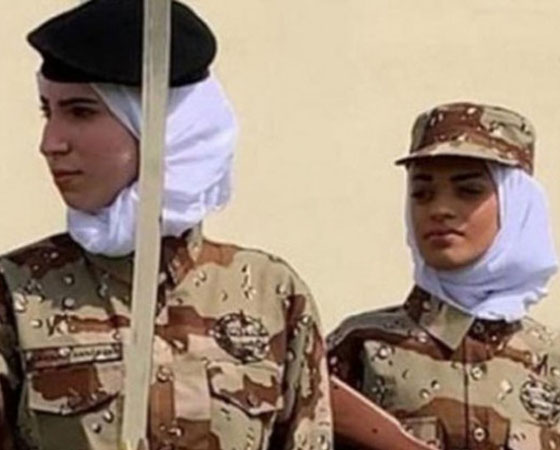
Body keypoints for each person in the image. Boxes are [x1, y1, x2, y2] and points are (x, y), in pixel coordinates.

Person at [0, 1, 332, 449]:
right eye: (47, 112)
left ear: (163, 127)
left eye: (80, 112)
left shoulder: (270, 294)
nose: (50, 143)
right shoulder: (18, 292)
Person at [327, 102, 560, 449]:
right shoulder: (361, 346)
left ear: (516, 203)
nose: (440, 209)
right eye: (422, 194)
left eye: (468, 191)